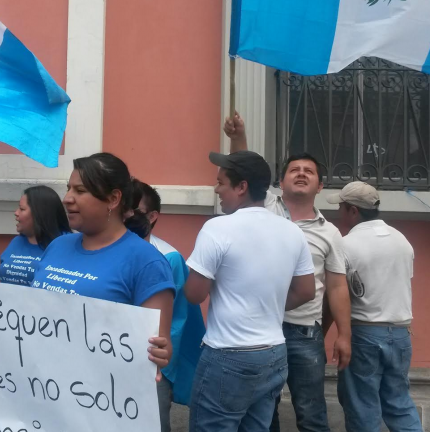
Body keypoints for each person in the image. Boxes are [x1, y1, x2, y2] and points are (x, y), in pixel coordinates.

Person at [0, 153, 175, 380]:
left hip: (96, 399)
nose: (67, 198)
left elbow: (159, 346)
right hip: (40, 389)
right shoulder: (58, 246)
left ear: (113, 199)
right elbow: (24, 319)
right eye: (68, 188)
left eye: (80, 190)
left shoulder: (147, 262)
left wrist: (158, 355)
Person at [224, 113, 351, 432]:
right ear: (280, 183)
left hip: (305, 333)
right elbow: (244, 169)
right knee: (262, 411)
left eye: (309, 171)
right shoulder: (264, 207)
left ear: (320, 185)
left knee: (311, 413)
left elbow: (337, 287)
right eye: (294, 170)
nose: (301, 173)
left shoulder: (330, 233)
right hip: (259, 327)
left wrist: (344, 335)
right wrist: (238, 137)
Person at [184, 150, 316, 432]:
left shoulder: (217, 228)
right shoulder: (292, 231)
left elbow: (194, 294)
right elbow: (307, 290)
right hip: (274, 353)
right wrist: (265, 304)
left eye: (221, 183)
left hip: (228, 353)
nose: (216, 190)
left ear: (241, 187)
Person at [328, 182, 422, 432]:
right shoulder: (402, 240)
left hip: (365, 334)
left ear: (353, 210)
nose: (339, 211)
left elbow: (338, 292)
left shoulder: (346, 244)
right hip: (401, 333)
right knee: (399, 404)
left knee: (362, 408)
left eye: (341, 206)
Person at [131, 179, 206, 432]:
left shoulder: (168, 258)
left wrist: (164, 369)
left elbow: (176, 321)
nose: (127, 215)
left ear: (152, 216)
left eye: (135, 209)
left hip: (151, 361)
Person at [0, 185, 70, 286]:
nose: (16, 213)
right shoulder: (16, 242)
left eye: (22, 209)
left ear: (39, 213)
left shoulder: (66, 244)